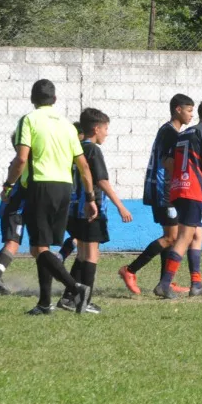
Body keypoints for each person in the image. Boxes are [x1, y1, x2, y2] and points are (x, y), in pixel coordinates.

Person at [0, 79, 96, 315]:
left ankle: (76, 289)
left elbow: (21, 158)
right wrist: (91, 197)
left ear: (33, 99)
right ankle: (44, 304)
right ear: (54, 100)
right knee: (42, 247)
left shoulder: (29, 120)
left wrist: (8, 185)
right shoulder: (67, 125)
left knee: (38, 249)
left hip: (40, 186)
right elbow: (83, 164)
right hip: (65, 189)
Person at [118, 94, 195, 296]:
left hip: (166, 189)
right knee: (172, 238)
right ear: (178, 109)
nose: (191, 115)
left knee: (174, 235)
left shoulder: (169, 131)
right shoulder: (170, 133)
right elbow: (166, 163)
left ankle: (166, 282)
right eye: (189, 111)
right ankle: (130, 270)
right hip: (164, 190)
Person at [59, 108, 133, 313]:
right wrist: (120, 206)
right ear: (96, 128)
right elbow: (101, 180)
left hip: (74, 209)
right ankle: (85, 301)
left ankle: (69, 298)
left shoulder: (76, 148)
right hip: (91, 210)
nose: (107, 133)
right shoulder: (93, 150)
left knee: (82, 255)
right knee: (91, 255)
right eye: (106, 129)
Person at [154, 100, 202, 299]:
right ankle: (165, 283)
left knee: (196, 235)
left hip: (178, 188)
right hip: (193, 189)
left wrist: (181, 174)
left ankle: (197, 284)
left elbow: (167, 161)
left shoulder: (183, 133)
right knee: (185, 236)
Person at [0, 132, 26, 295]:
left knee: (12, 242)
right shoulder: (20, 164)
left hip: (14, 209)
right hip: (14, 210)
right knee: (13, 243)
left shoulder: (20, 163)